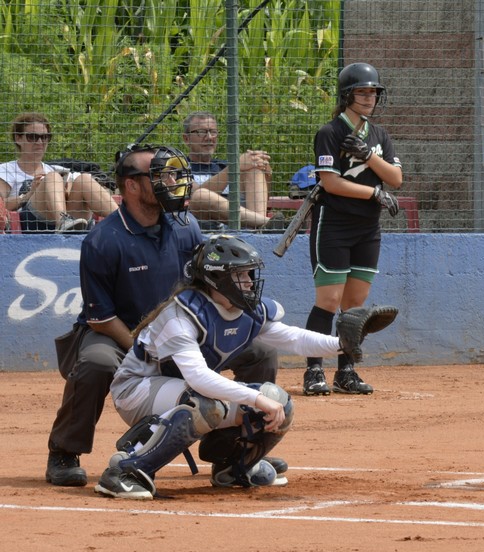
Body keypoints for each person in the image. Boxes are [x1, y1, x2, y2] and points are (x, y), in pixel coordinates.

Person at [44, 144, 279, 488]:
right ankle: (65, 451)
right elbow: (100, 318)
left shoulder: (186, 228)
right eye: (159, 176)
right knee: (96, 363)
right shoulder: (103, 240)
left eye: (170, 174)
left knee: (261, 350)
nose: (170, 181)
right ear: (132, 186)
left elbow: (203, 288)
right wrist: (152, 351)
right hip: (117, 333)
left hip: (181, 329)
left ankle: (233, 450)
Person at [94, 235, 376, 499]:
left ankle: (233, 467)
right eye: (240, 275)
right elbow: (199, 378)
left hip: (178, 389)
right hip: (136, 390)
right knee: (208, 403)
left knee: (281, 403)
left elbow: (294, 338)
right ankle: (128, 468)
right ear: (217, 279)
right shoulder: (181, 317)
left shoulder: (243, 310)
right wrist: (255, 398)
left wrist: (342, 344)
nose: (250, 282)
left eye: (249, 274)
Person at [301, 62, 403, 396]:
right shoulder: (330, 132)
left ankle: (346, 371)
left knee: (355, 305)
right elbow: (330, 183)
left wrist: (370, 158)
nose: (369, 97)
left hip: (367, 228)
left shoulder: (379, 135)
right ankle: (314, 370)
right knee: (328, 301)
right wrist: (374, 192)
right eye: (362, 91)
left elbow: (395, 178)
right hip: (335, 224)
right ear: (347, 95)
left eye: (373, 92)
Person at [0, 112, 118, 232]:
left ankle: (124, 220)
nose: (40, 142)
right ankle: (62, 221)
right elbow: (1, 205)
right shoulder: (6, 170)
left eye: (45, 137)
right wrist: (28, 195)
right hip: (30, 224)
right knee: (53, 177)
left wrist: (67, 191)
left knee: (84, 179)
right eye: (33, 137)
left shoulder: (55, 169)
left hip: (72, 223)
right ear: (18, 138)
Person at [181, 111, 282, 230]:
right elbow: (195, 200)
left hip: (242, 231)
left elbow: (262, 196)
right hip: (202, 230)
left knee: (254, 169)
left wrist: (265, 173)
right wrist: (235, 167)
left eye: (213, 132)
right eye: (201, 132)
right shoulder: (180, 168)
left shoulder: (224, 166)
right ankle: (267, 223)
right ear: (186, 138)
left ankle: (260, 229)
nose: (209, 137)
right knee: (200, 195)